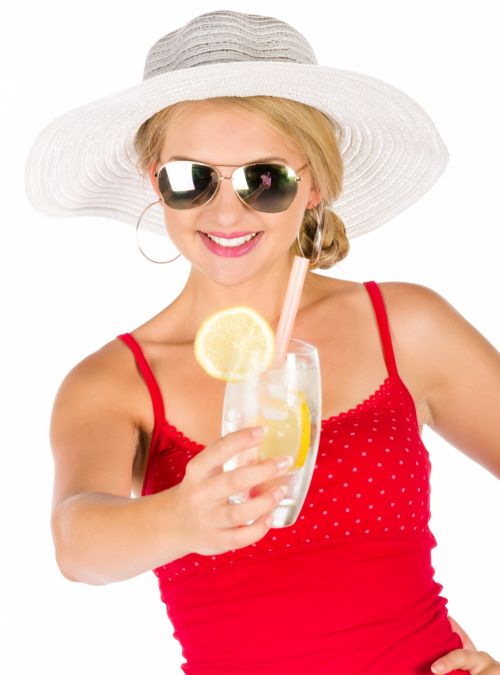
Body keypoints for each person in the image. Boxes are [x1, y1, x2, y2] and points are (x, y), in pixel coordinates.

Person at [24, 10, 499, 675]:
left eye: (264, 179)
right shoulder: (116, 383)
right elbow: (77, 541)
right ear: (152, 177)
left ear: (316, 184)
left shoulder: (405, 325)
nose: (225, 213)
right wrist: (179, 518)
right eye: (193, 179)